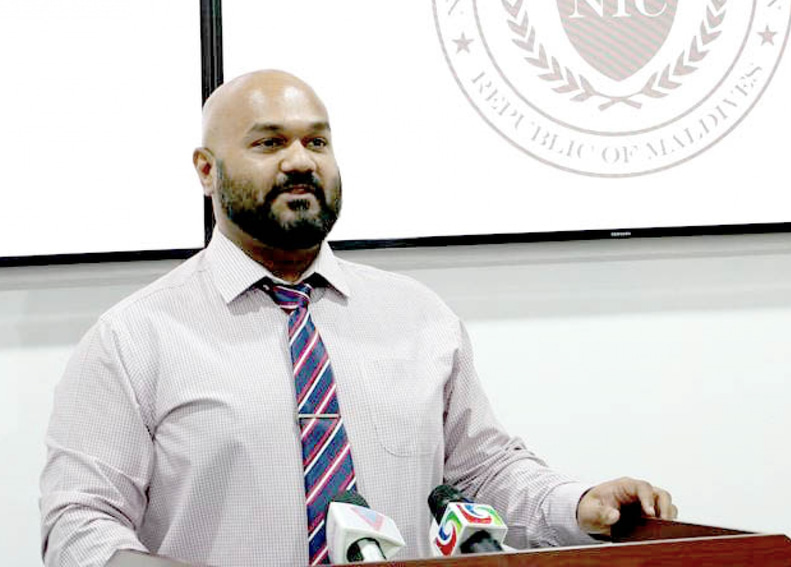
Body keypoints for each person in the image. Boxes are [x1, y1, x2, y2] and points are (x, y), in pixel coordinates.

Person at [40, 70, 676, 566]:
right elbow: (79, 523)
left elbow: (483, 472)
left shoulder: (419, 318)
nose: (300, 161)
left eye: (316, 141)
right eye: (269, 142)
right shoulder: (134, 338)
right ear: (207, 171)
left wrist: (580, 504)